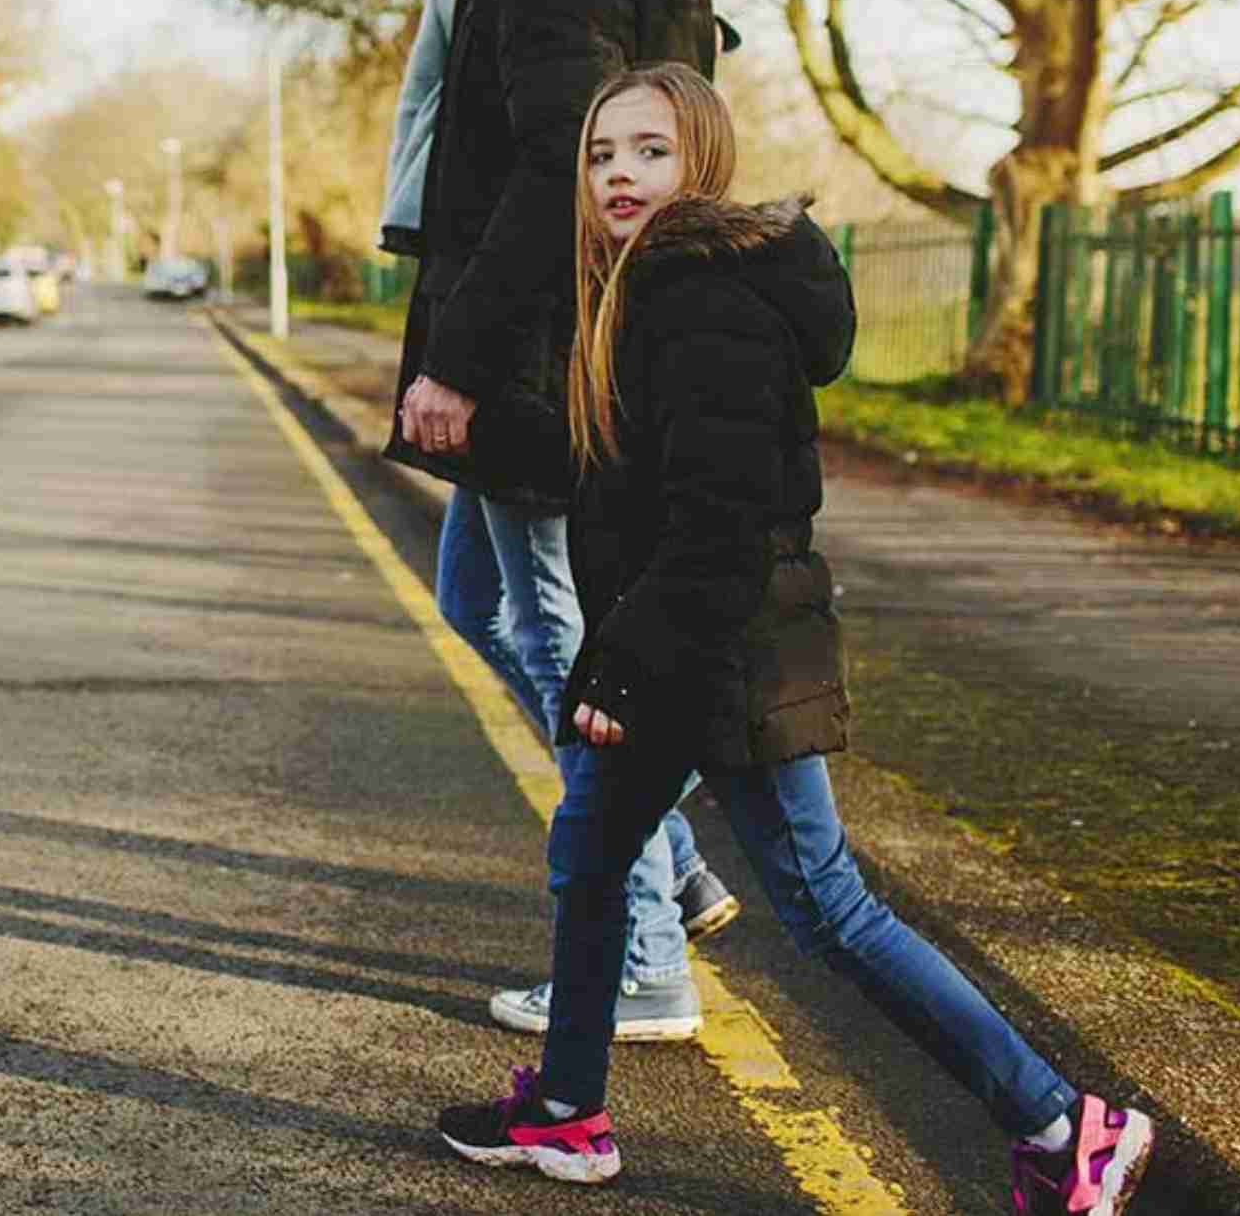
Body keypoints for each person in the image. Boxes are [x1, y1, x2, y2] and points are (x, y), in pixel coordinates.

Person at [433, 63, 1158, 1215]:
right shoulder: (643, 286)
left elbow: (719, 525)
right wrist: (489, 420)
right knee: (590, 855)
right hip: (683, 638)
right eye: (600, 153)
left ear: (703, 160)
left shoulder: (703, 295)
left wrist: (618, 663)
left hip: (725, 654)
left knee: (824, 906)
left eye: (650, 151)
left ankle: (1067, 1123)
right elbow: (638, 475)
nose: (620, 173)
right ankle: (568, 1112)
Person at [384, 0, 741, 1045]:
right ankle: (666, 859)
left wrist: (460, 362)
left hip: (529, 361)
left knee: (561, 649)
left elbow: (559, 172)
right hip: (537, 344)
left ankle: (643, 965)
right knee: (474, 600)